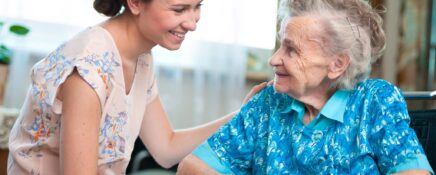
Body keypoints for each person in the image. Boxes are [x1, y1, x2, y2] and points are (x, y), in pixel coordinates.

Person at [7, 0, 267, 174]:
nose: (192, 22)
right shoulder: (88, 68)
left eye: (197, 6)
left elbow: (166, 149)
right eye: (179, 9)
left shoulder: (140, 57)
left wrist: (242, 116)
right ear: (134, 2)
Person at [177, 0, 435, 174]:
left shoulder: (376, 101)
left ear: (336, 64)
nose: (274, 59)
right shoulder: (268, 102)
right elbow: (190, 167)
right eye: (281, 44)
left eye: (291, 50)